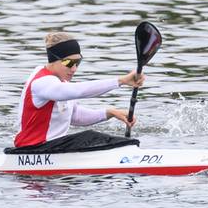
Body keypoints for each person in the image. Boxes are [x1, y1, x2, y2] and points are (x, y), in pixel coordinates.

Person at [12, 31, 146, 150]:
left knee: (93, 138)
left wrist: (110, 112)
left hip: (52, 148)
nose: (74, 68)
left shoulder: (61, 81)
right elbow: (78, 91)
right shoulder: (42, 82)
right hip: (33, 150)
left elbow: (75, 116)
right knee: (91, 137)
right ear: (54, 59)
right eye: (69, 63)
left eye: (77, 63)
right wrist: (121, 81)